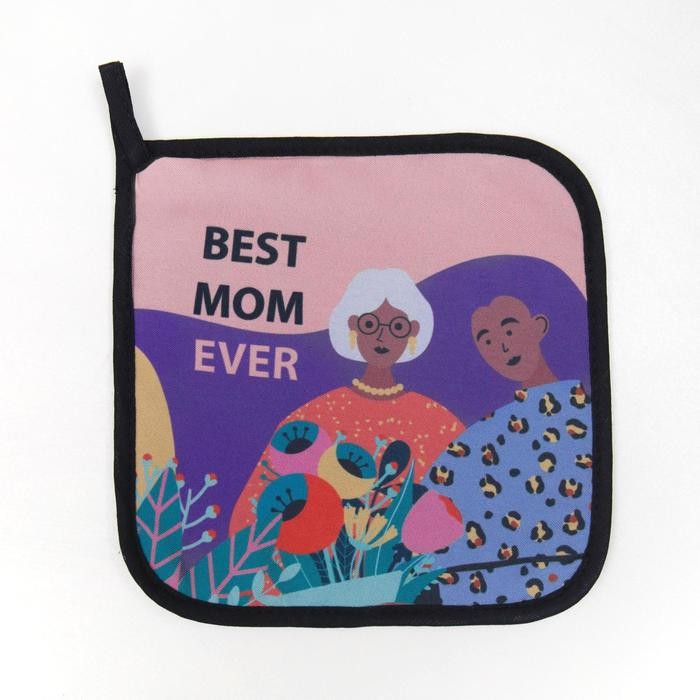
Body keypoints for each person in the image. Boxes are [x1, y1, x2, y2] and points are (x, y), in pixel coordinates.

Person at [228, 269, 464, 535]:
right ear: (353, 326)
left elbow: (461, 505)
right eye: (370, 325)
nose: (382, 337)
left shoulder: (437, 421)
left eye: (397, 327)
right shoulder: (318, 413)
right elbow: (258, 507)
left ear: (414, 331)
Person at [422, 295, 594, 605]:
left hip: (550, 577)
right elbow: (434, 497)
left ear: (538, 327)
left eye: (509, 330)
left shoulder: (584, 415)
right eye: (486, 341)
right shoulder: (490, 430)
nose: (501, 347)